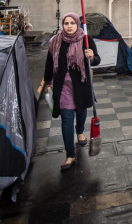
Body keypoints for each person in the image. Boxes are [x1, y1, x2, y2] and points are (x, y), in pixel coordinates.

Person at [43, 13, 100, 171]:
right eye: (66, 23)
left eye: (72, 23)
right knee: (67, 119)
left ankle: (80, 131)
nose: (69, 26)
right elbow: (49, 62)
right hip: (63, 87)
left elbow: (97, 60)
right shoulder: (55, 41)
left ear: (78, 24)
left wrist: (92, 56)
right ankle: (70, 155)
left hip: (81, 84)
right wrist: (48, 81)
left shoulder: (86, 40)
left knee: (81, 111)